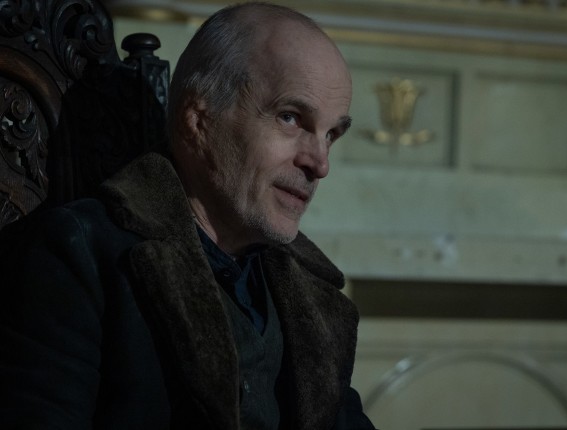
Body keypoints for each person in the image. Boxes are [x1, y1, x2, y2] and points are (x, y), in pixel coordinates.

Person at [0, 2, 375, 429]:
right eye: (291, 118)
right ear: (198, 121)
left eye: (331, 134)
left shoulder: (311, 292)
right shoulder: (76, 253)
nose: (320, 164)